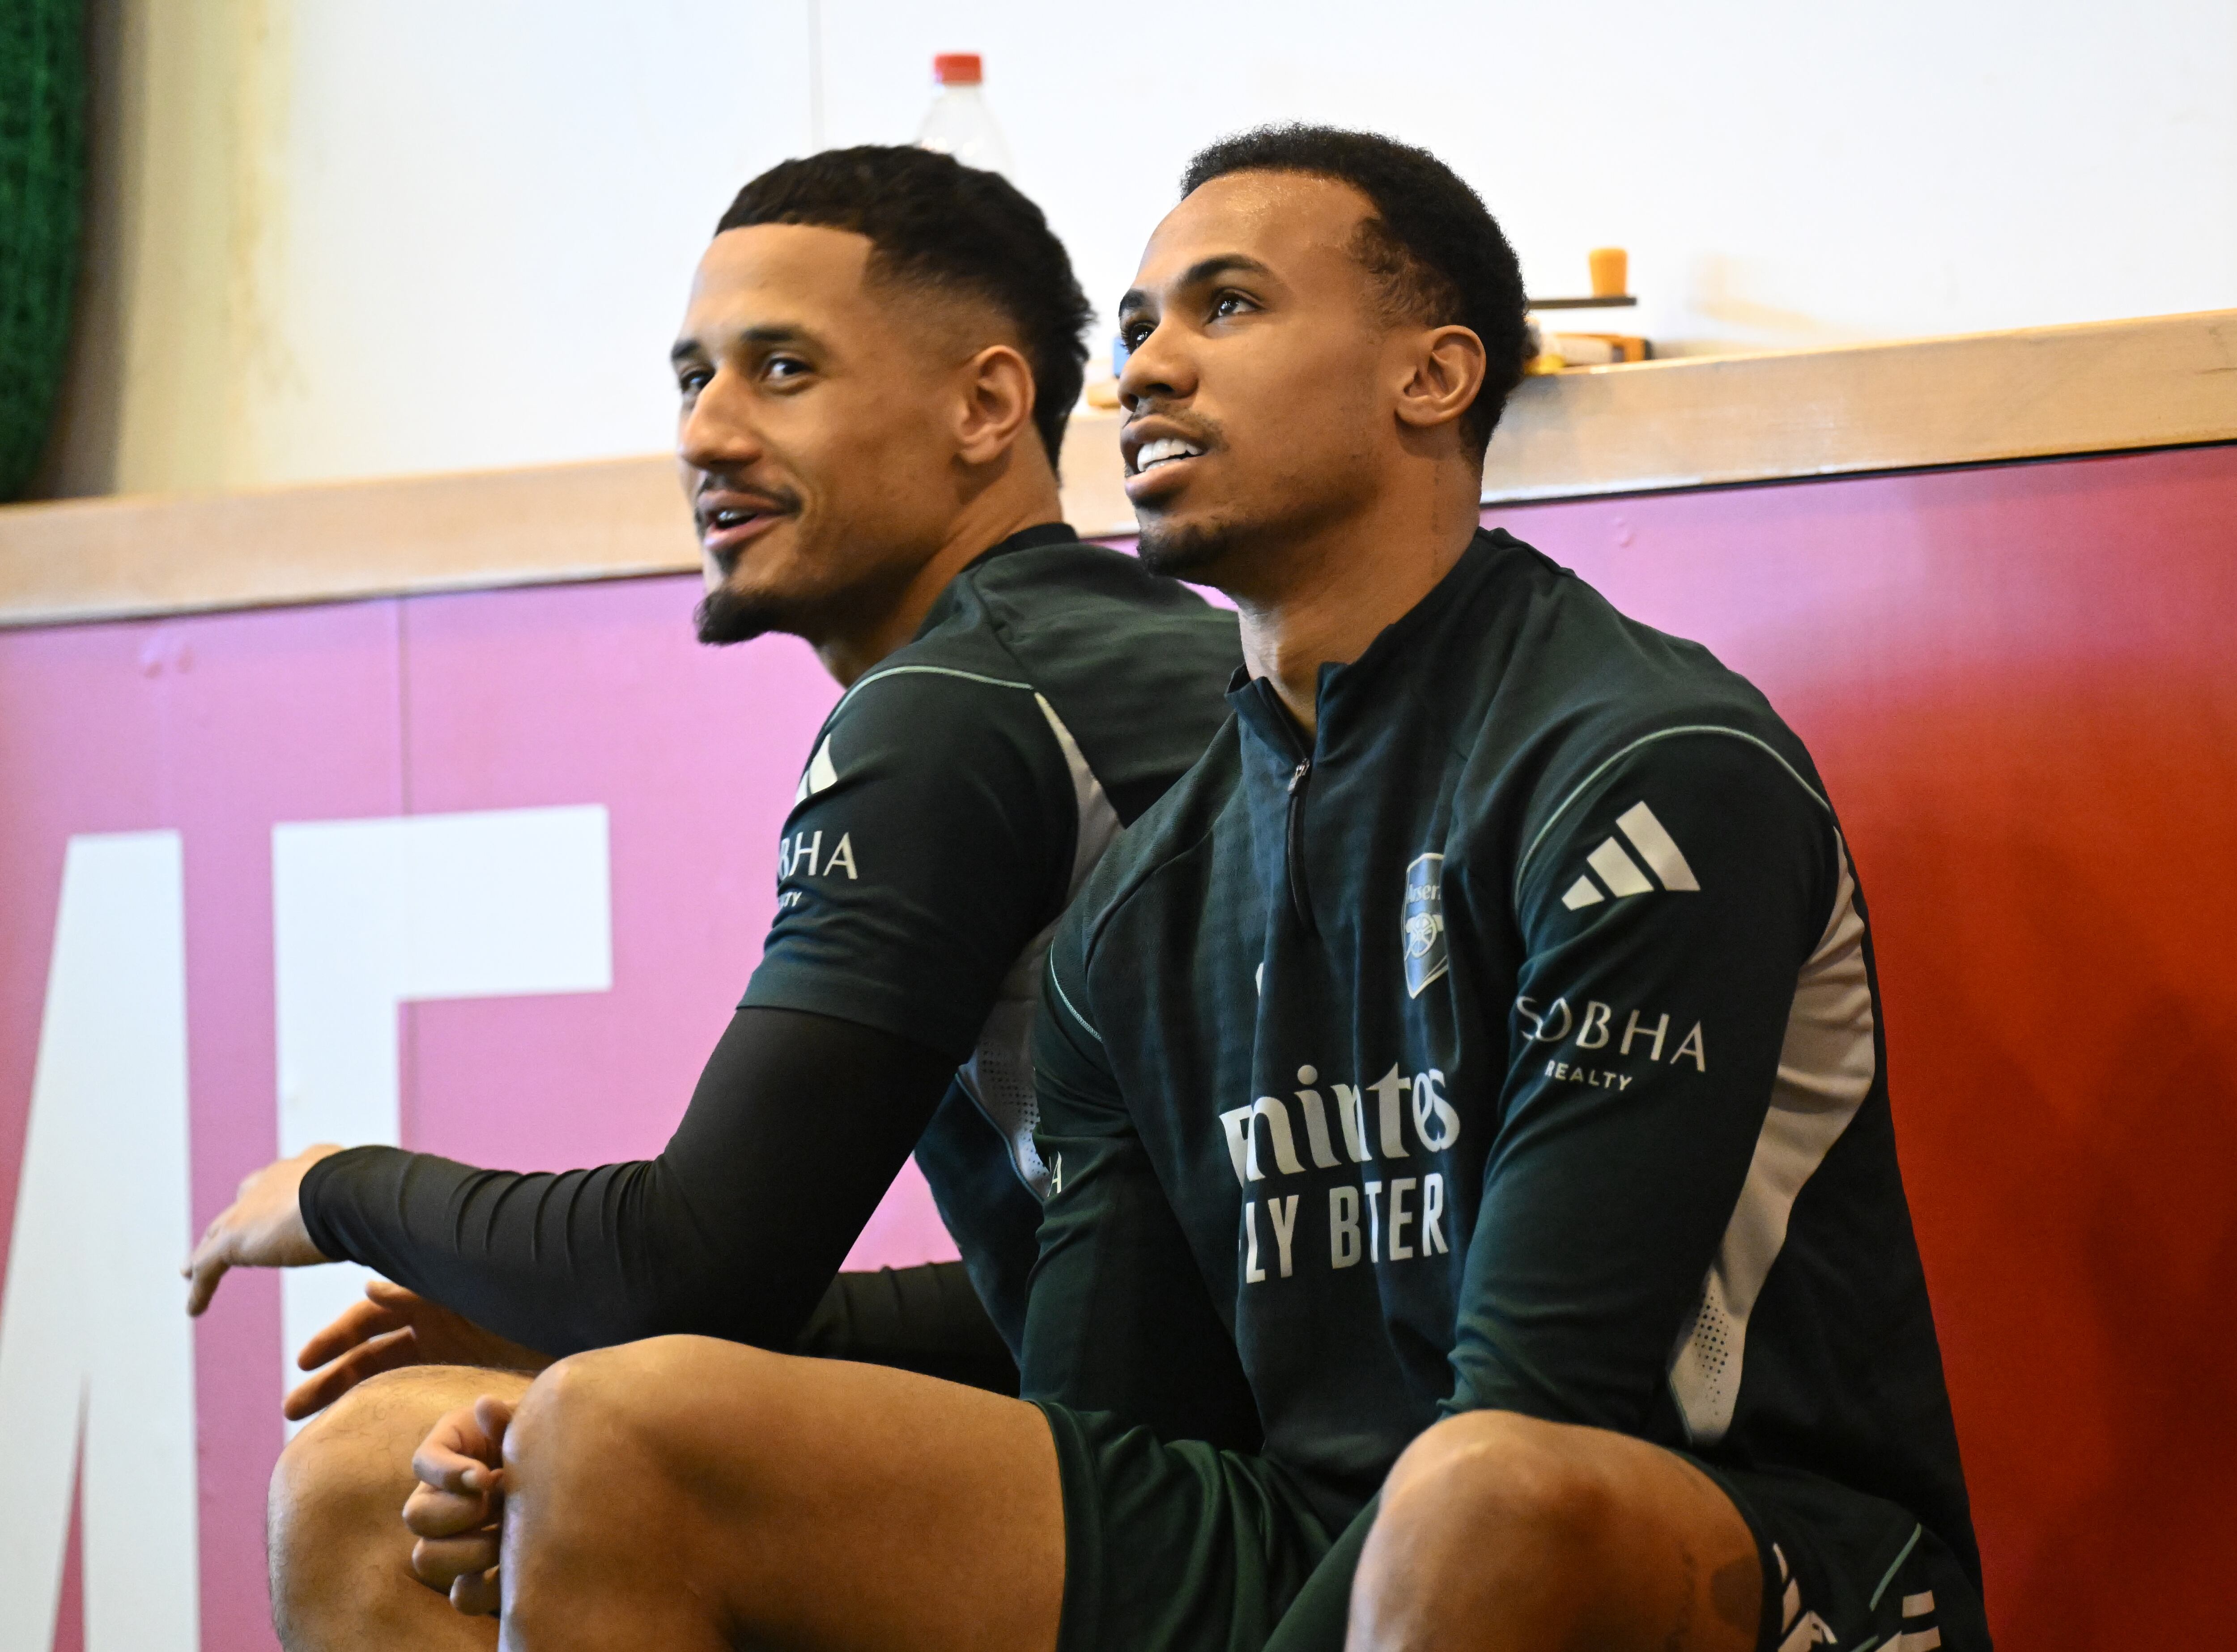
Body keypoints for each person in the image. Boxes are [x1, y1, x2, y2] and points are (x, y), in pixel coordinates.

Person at [387, 126, 1988, 1652]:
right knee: (592, 1439)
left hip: (1735, 1546)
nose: (1147, 368)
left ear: (1433, 376)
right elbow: (1101, 1435)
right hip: (1314, 1529)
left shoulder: (1648, 771)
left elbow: (1543, 1400)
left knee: (1477, 1494)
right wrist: (629, 1422)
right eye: (1141, 325)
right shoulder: (1141, 905)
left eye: (1227, 308)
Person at [189, 145, 1242, 1650]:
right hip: (1229, 1435)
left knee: (380, 1471)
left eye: (782, 370)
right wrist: (580, 1330)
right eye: (692, 378)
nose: (707, 431)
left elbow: (692, 1263)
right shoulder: (1140, 649)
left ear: (987, 406)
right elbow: (1104, 1278)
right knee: (532, 1413)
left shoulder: (956, 709)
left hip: (1229, 1499)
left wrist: (341, 1190)